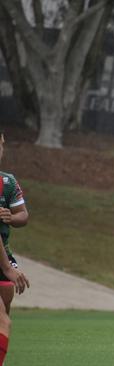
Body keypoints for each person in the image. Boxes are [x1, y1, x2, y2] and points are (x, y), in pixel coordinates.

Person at [0, 131, 30, 364]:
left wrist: (11, 217)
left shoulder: (7, 182)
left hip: (3, 253)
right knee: (2, 321)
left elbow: (23, 216)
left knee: (5, 308)